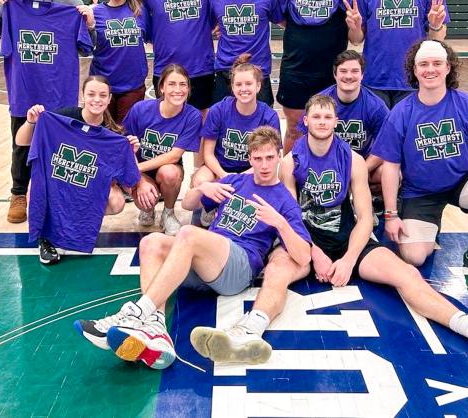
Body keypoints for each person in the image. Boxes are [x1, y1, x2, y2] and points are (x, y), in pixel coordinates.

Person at [191, 95, 468, 366]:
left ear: (335, 122)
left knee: (406, 273)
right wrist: (318, 255)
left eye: (329, 116)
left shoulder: (353, 161)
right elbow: (290, 218)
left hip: (347, 240)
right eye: (316, 116)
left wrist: (347, 260)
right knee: (279, 268)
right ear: (305, 121)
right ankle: (249, 333)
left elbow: (365, 218)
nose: (322, 121)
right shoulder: (289, 162)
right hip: (305, 243)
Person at [74, 126, 311, 370]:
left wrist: (280, 223)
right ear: (249, 158)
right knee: (150, 242)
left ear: (278, 156)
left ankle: (137, 313)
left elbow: (303, 256)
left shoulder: (284, 200)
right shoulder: (235, 181)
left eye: (270, 158)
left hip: (238, 268)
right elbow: (187, 205)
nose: (264, 165)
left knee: (187, 233)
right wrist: (201, 189)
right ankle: (156, 329)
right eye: (258, 158)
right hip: (207, 263)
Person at [372, 40, 468, 287]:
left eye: (436, 63)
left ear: (448, 67)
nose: (430, 69)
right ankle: (429, 225)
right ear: (415, 70)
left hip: (462, 182)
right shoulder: (401, 112)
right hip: (420, 192)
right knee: (413, 256)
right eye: (424, 64)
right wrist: (391, 214)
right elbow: (390, 167)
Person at [0, 0, 96, 224]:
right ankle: (18, 193)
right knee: (22, 144)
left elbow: (87, 48)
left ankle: (55, 196)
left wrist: (89, 24)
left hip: (60, 91)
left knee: (60, 147)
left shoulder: (73, 4)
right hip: (25, 88)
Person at [15, 76, 141, 264]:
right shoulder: (61, 119)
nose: (96, 99)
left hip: (82, 189)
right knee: (36, 183)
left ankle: (74, 224)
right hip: (58, 184)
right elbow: (21, 141)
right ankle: (45, 237)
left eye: (102, 95)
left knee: (117, 202)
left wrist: (130, 152)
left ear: (109, 99)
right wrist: (32, 122)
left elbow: (128, 181)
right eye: (91, 94)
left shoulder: (113, 135)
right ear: (83, 96)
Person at [277, 0, 362, 153]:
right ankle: (291, 185)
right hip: (297, 69)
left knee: (329, 129)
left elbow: (357, 37)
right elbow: (283, 20)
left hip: (331, 72)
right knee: (294, 129)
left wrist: (354, 26)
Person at [192, 54, 281, 225]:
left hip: (253, 168)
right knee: (200, 180)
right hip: (221, 167)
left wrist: (239, 178)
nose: (244, 89)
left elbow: (272, 159)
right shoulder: (219, 110)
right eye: (238, 84)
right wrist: (225, 176)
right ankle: (210, 207)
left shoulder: (269, 116)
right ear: (232, 87)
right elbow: (208, 154)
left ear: (258, 86)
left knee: (264, 191)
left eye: (249, 84)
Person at [137, 0, 220, 114]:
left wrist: (222, 24)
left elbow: (229, 1)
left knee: (201, 124)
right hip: (165, 69)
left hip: (200, 69)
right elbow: (126, 8)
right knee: (167, 124)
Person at [123, 64, 202, 234]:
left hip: (165, 169)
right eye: (172, 84)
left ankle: (168, 212)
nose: (178, 90)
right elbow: (124, 147)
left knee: (170, 173)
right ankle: (147, 208)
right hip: (140, 170)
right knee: (145, 198)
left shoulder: (192, 115)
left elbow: (174, 156)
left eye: (183, 84)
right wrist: (139, 178)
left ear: (188, 88)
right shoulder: (140, 109)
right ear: (161, 88)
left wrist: (136, 169)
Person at [296, 50, 388, 189]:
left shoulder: (376, 106)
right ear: (335, 74)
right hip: (326, 165)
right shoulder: (319, 102)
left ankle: (378, 202)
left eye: (355, 71)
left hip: (364, 163)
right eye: (343, 71)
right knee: (295, 169)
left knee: (388, 172)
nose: (349, 76)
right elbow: (304, 141)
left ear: (362, 75)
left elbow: (385, 147)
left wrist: (359, 171)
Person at [209, 0, 282, 107]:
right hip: (225, 72)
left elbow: (284, 23)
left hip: (258, 73)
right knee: (224, 128)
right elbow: (210, 27)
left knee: (261, 131)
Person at [91, 0, 150, 123]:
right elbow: (87, 45)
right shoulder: (95, 13)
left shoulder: (140, 11)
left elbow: (152, 37)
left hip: (132, 85)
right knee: (103, 135)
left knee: (127, 136)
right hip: (103, 85)